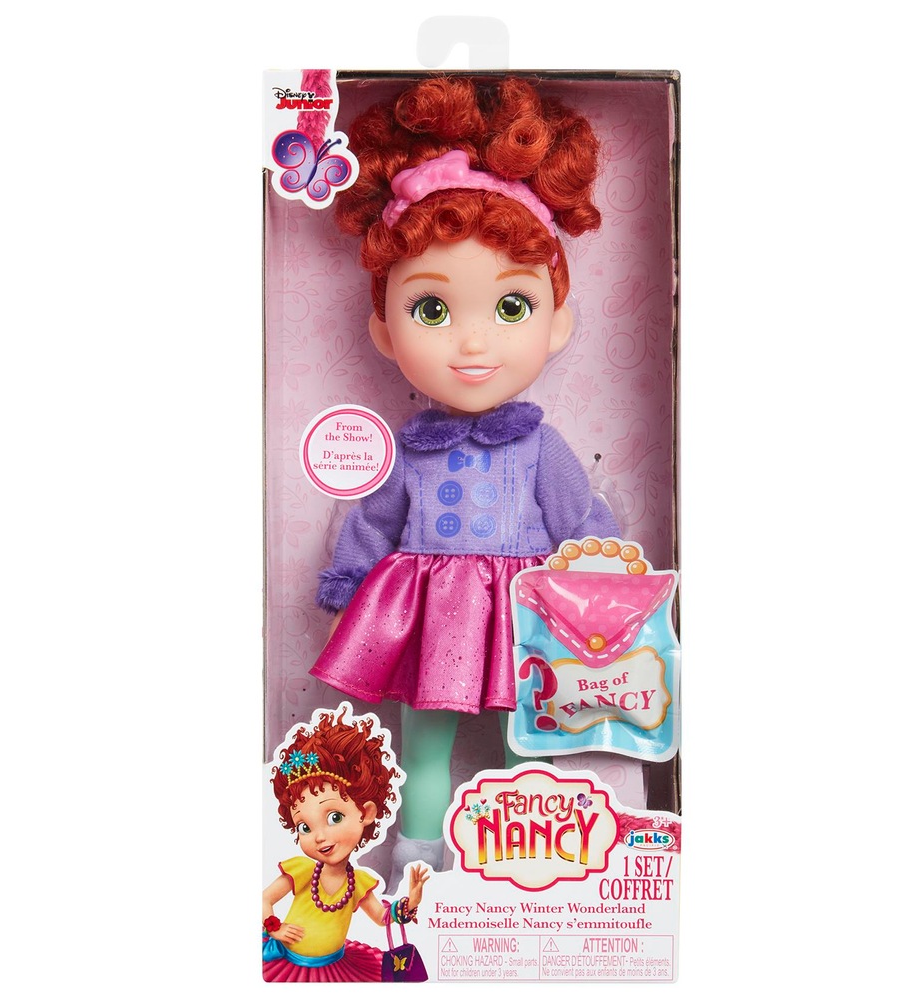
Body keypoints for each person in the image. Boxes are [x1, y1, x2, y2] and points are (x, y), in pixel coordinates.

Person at [311, 76, 619, 876]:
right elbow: (374, 522)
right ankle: (417, 865)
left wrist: (607, 586)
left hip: (523, 612)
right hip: (431, 616)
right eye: (432, 310)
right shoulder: (409, 449)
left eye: (512, 308)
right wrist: (349, 582)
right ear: (386, 329)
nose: (473, 344)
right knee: (425, 742)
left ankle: (530, 860)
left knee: (535, 735)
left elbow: (580, 520)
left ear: (558, 323)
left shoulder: (540, 446)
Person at [262, 707, 428, 982]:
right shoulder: (302, 870)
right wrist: (274, 927)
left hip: (336, 967)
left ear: (366, 813)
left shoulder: (358, 883)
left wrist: (410, 901)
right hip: (287, 965)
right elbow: (264, 899)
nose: (319, 837)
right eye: (305, 827)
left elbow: (382, 918)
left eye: (334, 817)